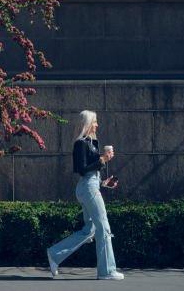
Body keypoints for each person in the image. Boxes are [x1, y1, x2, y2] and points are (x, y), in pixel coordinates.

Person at [46, 110, 123, 281]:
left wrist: (103, 184)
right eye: (95, 121)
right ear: (88, 123)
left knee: (90, 230)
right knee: (103, 228)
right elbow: (81, 169)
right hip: (87, 187)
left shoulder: (90, 142)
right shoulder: (81, 143)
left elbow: (91, 173)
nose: (97, 124)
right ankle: (107, 271)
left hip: (90, 187)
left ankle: (54, 254)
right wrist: (103, 160)